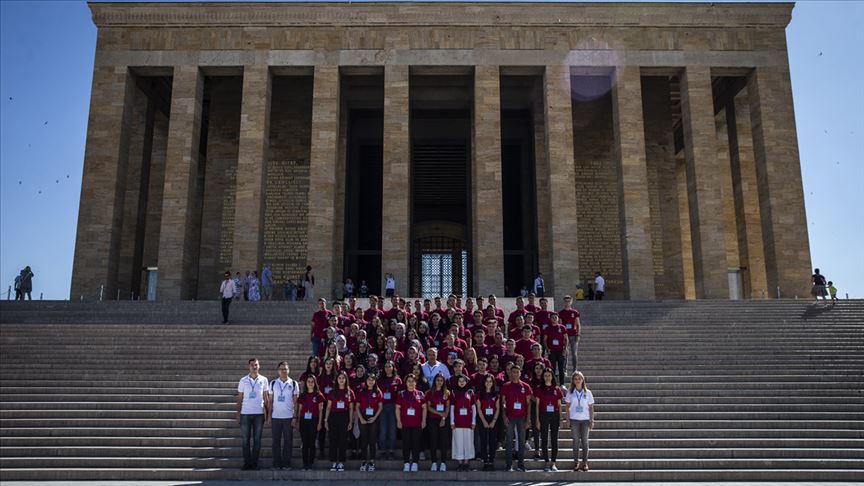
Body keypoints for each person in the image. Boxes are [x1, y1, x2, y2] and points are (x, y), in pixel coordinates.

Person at [236, 358, 269, 470]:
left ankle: (254, 463)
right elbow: (240, 398)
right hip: (245, 413)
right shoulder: (243, 380)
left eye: (256, 365)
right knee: (245, 439)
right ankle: (247, 463)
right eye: (252, 365)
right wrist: (238, 412)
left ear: (259, 366)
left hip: (259, 414)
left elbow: (266, 397)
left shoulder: (264, 380)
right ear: (248, 366)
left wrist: (268, 412)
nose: (254, 367)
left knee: (257, 440)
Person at [268, 361, 299, 470]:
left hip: (288, 417)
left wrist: (295, 417)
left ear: (288, 370)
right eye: (281, 369)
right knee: (275, 441)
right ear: (278, 370)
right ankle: (276, 463)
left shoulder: (294, 383)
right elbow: (270, 401)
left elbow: (296, 402)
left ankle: (286, 463)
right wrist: (269, 416)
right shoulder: (272, 383)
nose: (283, 371)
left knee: (288, 441)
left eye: (285, 369)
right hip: (276, 417)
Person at [501, 365, 532, 472]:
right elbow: (503, 403)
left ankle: (521, 464)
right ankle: (509, 465)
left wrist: (528, 419)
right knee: (509, 441)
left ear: (520, 373)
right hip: (510, 417)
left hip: (522, 417)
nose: (515, 374)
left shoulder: (526, 386)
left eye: (517, 372)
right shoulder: (506, 386)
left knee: (521, 441)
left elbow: (528, 404)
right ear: (510, 373)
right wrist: (504, 416)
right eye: (513, 372)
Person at [564, 371, 595, 472]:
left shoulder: (588, 392)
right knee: (576, 441)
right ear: (573, 380)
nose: (577, 380)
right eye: (575, 379)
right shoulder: (570, 392)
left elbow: (591, 408)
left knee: (585, 441)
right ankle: (576, 462)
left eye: (579, 378)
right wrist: (567, 419)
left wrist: (592, 420)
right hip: (574, 419)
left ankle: (585, 462)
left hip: (585, 420)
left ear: (583, 380)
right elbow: (567, 406)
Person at [534, 368, 564, 471]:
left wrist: (561, 418)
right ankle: (546, 462)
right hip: (543, 415)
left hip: (555, 415)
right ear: (543, 377)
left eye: (549, 375)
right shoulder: (539, 388)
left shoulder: (557, 389)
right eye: (545, 375)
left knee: (554, 439)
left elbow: (560, 405)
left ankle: (553, 462)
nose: (547, 377)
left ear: (552, 377)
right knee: (544, 439)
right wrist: (537, 419)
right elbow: (537, 405)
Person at [324, 371, 354, 472]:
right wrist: (326, 420)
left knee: (343, 440)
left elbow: (351, 408)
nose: (341, 380)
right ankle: (333, 462)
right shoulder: (332, 392)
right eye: (339, 378)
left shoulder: (350, 392)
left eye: (343, 378)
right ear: (337, 380)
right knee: (333, 439)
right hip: (333, 416)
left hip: (344, 416)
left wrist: (350, 421)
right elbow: (328, 407)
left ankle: (341, 462)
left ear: (346, 380)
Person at [397, 374, 427, 472]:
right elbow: (397, 408)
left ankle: (415, 463)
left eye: (412, 381)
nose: (410, 383)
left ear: (415, 383)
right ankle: (406, 462)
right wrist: (398, 421)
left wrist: (423, 421)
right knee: (406, 444)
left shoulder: (421, 394)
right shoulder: (401, 394)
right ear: (406, 383)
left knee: (416, 444)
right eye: (408, 381)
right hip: (405, 423)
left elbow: (424, 408)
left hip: (417, 423)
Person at [297, 375, 325, 470]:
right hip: (304, 421)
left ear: (315, 383)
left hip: (314, 420)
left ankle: (311, 463)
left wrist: (320, 423)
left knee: (312, 442)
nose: (310, 383)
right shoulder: (302, 395)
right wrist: (297, 421)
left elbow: (321, 410)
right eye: (308, 381)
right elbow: (300, 409)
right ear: (306, 383)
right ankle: (305, 464)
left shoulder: (319, 395)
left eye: (312, 381)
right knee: (305, 443)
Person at [356, 374, 383, 471]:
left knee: (372, 440)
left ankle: (372, 461)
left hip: (373, 417)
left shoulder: (378, 392)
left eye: (372, 380)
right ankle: (363, 461)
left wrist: (375, 417)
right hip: (363, 416)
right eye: (369, 379)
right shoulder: (361, 392)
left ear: (375, 381)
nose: (370, 381)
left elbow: (380, 406)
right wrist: (361, 418)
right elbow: (357, 406)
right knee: (364, 439)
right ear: (365, 381)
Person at [450, 374, 476, 471]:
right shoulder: (454, 392)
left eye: (463, 381)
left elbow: (474, 408)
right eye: (459, 381)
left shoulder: (470, 392)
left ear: (466, 382)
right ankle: (460, 462)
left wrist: (474, 421)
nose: (461, 382)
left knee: (468, 442)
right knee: (458, 442)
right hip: (457, 422)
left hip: (468, 422)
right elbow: (452, 408)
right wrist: (452, 421)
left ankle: (466, 462)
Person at [425, 373, 451, 471]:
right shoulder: (429, 392)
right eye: (437, 380)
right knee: (433, 441)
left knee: (443, 441)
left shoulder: (447, 393)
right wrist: (440, 414)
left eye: (441, 380)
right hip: (433, 419)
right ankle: (434, 462)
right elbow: (429, 407)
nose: (439, 382)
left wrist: (443, 418)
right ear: (434, 381)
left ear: (444, 381)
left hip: (444, 420)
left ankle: (443, 463)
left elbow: (448, 406)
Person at [378, 361, 402, 459]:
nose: (388, 368)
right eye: (386, 366)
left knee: (392, 429)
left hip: (393, 406)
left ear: (393, 367)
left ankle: (391, 451)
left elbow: (400, 394)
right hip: (382, 406)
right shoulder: (380, 380)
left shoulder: (398, 380)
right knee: (383, 429)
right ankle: (383, 451)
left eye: (390, 366)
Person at [475, 374, 500, 471]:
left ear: (493, 383)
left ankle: (491, 461)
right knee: (484, 441)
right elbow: (479, 409)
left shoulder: (496, 395)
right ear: (484, 383)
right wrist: (484, 421)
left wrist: (493, 421)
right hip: (482, 419)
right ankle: (485, 461)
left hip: (493, 418)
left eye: (490, 381)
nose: (488, 383)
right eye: (487, 381)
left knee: (492, 441)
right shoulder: (479, 394)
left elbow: (498, 409)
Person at [558, 296, 582, 372]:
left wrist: (578, 334)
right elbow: (560, 325)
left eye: (568, 301)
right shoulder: (561, 313)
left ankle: (575, 370)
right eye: (565, 301)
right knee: (565, 353)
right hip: (565, 336)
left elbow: (578, 324)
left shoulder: (575, 312)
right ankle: (564, 370)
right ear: (563, 302)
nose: (567, 303)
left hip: (573, 335)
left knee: (574, 353)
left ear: (571, 302)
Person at [543, 313, 568, 385]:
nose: (554, 319)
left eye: (555, 317)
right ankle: (553, 383)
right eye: (552, 317)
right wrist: (547, 349)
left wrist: (564, 349)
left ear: (558, 319)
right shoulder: (547, 328)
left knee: (561, 368)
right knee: (552, 368)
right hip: (552, 351)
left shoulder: (562, 327)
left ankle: (562, 384)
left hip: (560, 350)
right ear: (550, 319)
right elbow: (545, 340)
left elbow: (566, 339)